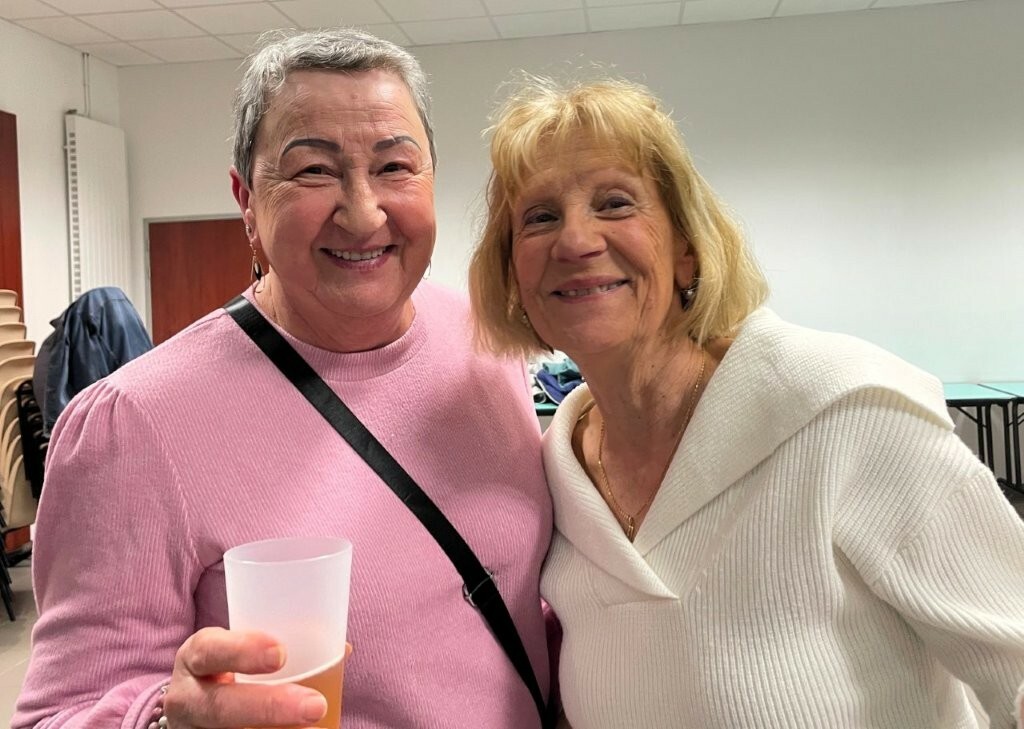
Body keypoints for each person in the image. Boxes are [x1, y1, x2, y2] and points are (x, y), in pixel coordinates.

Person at [14, 29, 552, 729]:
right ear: (246, 200)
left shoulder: (487, 339)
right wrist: (166, 722)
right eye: (313, 171)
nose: (363, 212)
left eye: (394, 166)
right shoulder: (135, 426)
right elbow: (56, 713)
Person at [468, 75, 1024, 728]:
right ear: (512, 275)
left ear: (686, 250)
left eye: (614, 203)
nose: (575, 241)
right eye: (539, 217)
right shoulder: (555, 473)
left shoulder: (846, 409)